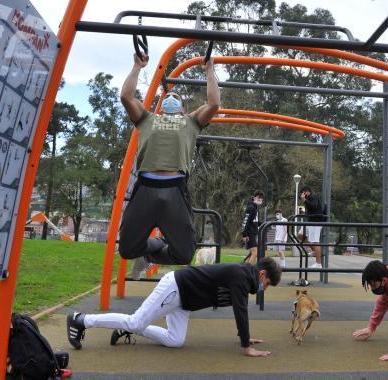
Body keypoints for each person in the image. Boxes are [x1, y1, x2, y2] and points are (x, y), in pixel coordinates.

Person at [117, 51, 220, 265]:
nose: (171, 97)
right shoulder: (146, 118)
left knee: (184, 254)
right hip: (146, 187)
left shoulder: (191, 122)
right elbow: (126, 96)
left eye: (177, 98)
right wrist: (137, 66)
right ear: (161, 105)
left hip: (175, 188)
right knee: (126, 250)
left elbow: (213, 104)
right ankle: (153, 245)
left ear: (183, 109)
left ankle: (158, 249)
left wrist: (209, 69)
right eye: (168, 97)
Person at [67, 257, 282, 357]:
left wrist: (245, 337)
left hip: (185, 302)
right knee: (135, 321)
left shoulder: (243, 276)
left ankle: (131, 329)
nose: (265, 288)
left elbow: (239, 308)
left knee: (175, 340)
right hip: (176, 288)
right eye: (268, 284)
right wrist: (246, 346)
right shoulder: (242, 276)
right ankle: (81, 319)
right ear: (262, 274)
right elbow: (240, 310)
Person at [300, 186, 326, 268]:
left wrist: (304, 200)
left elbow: (313, 206)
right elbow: (311, 209)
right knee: (300, 235)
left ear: (306, 192)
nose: (302, 195)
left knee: (315, 242)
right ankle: (314, 251)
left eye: (302, 193)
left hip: (316, 222)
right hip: (310, 221)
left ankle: (318, 263)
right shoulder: (309, 198)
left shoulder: (313, 196)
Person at [241, 190, 264, 264]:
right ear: (254, 197)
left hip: (253, 233)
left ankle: (246, 270)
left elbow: (255, 221)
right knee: (255, 252)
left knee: (252, 253)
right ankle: (248, 271)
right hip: (250, 233)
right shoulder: (251, 208)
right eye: (258, 197)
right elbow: (245, 221)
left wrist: (264, 224)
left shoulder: (255, 208)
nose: (260, 199)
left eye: (261, 198)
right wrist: (244, 234)